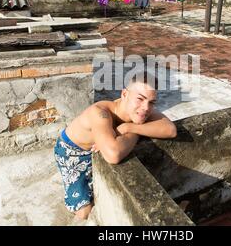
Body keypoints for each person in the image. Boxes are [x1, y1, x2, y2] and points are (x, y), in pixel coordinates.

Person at [54, 71, 177, 221]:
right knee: (84, 212)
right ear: (124, 94)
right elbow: (113, 155)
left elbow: (170, 129)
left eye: (152, 102)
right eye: (140, 99)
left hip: (98, 147)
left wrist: (130, 128)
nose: (145, 108)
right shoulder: (100, 113)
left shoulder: (140, 109)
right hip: (72, 151)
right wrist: (136, 131)